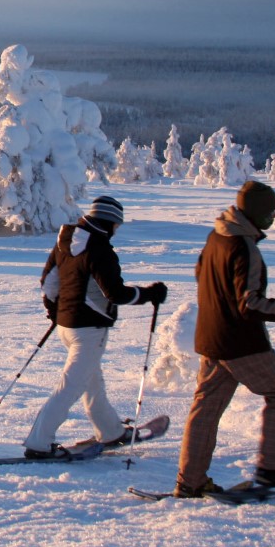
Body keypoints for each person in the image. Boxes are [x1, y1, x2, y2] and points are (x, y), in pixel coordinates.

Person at [174, 180, 275, 496]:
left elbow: (202, 275)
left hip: (211, 337)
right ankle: (274, 471)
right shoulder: (243, 247)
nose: (273, 218)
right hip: (239, 342)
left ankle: (190, 481)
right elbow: (249, 303)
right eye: (270, 212)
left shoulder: (217, 237)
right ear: (256, 214)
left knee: (206, 410)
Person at [22, 195, 168, 460]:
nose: (116, 231)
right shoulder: (100, 250)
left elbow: (49, 284)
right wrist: (150, 294)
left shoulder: (65, 241)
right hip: (89, 330)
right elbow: (116, 294)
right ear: (109, 222)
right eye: (117, 226)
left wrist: (57, 312)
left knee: (91, 383)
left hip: (67, 327)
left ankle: (110, 431)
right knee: (71, 387)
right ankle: (39, 443)